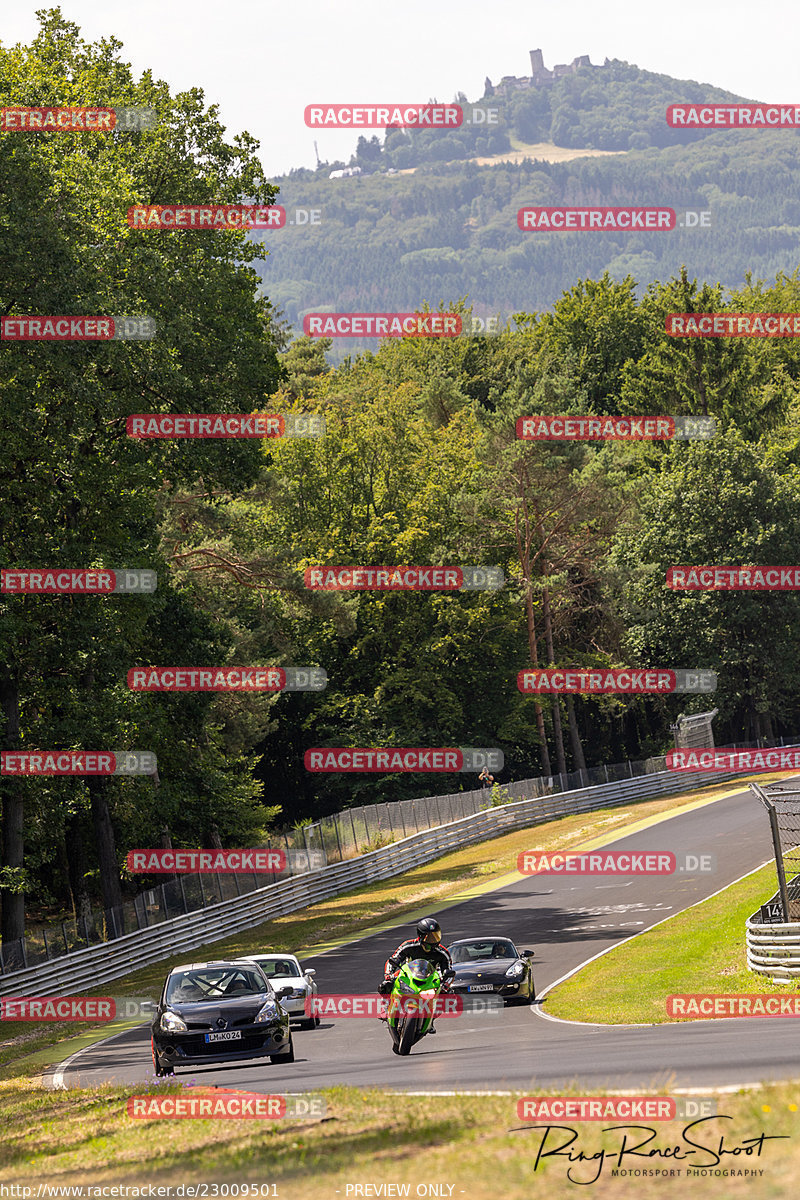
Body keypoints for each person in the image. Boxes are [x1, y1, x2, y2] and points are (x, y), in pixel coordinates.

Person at [378, 917, 454, 1034]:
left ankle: (431, 1019)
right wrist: (388, 974)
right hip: (409, 975)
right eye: (430, 936)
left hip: (430, 979)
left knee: (447, 995)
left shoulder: (443, 952)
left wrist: (445, 985)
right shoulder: (408, 946)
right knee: (385, 984)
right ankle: (386, 1007)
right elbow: (393, 960)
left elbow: (449, 971)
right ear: (421, 936)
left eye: (436, 935)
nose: (434, 939)